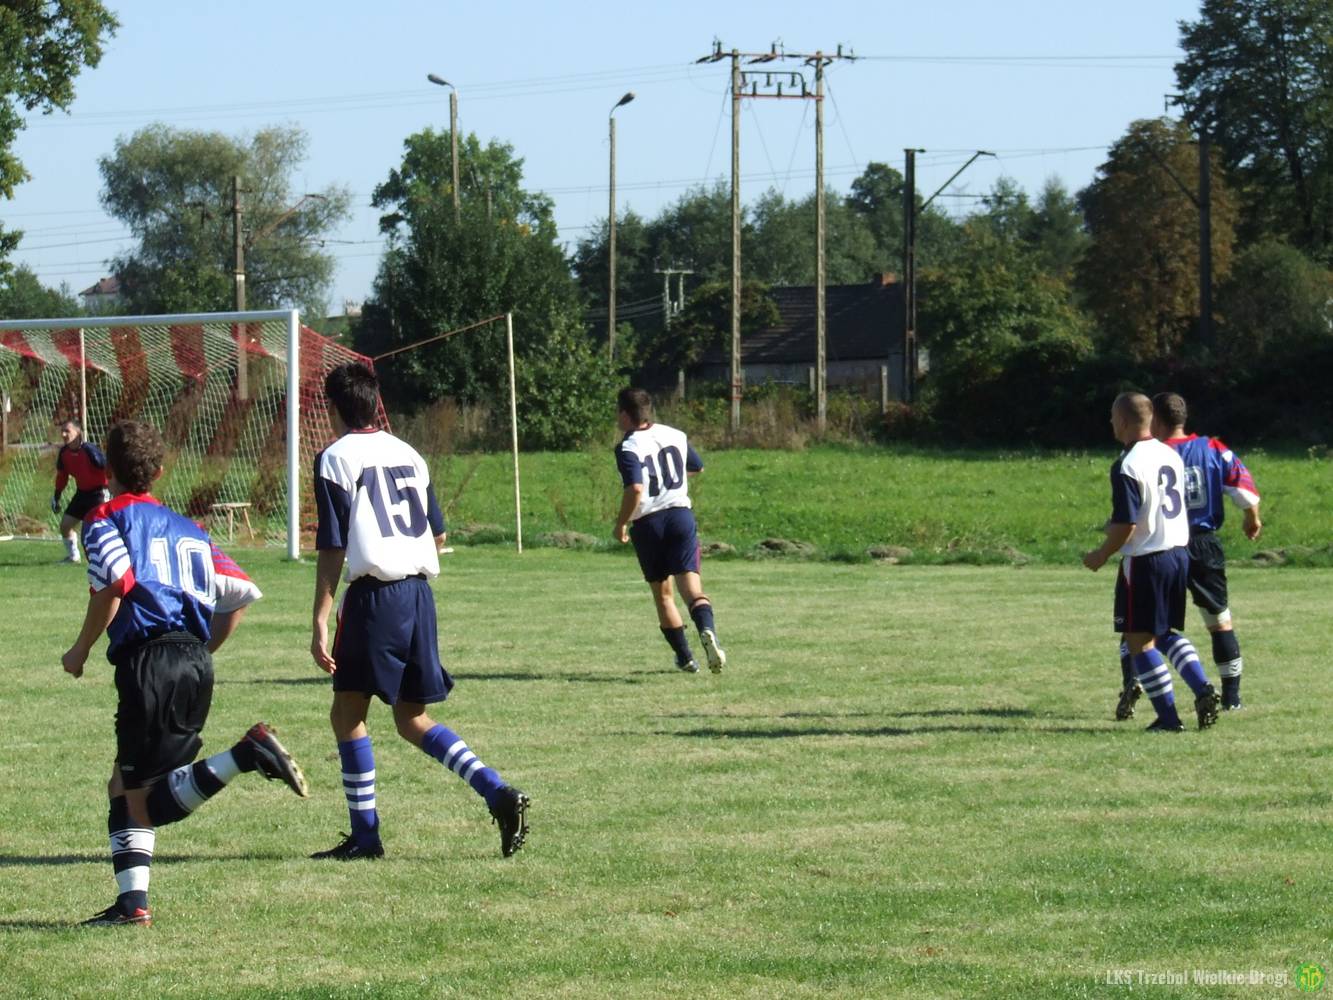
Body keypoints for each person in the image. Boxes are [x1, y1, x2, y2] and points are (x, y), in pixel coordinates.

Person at [61, 420, 309, 928]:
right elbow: (240, 593)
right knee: (123, 780)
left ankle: (246, 754)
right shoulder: (190, 529)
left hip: (148, 662)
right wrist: (200, 650)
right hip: (194, 660)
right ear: (159, 471)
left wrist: (79, 650)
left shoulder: (104, 517)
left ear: (107, 470)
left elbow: (115, 583)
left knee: (146, 803)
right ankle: (132, 904)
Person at [309, 362, 528, 860]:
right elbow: (438, 531)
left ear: (333, 408)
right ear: (375, 404)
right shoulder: (408, 452)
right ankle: (497, 791)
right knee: (411, 717)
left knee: (347, 713)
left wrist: (320, 616)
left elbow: (333, 544)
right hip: (418, 595)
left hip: (374, 597)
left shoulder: (335, 457)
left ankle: (365, 838)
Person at [1082, 392, 1219, 733]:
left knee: (1138, 640)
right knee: (1165, 633)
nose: (1110, 422)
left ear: (1123, 421)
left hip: (1145, 560)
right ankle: (1202, 686)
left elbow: (1128, 525)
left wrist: (1101, 553)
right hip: (1178, 554)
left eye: (1112, 416)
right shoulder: (1169, 454)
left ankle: (1169, 719)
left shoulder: (1127, 464)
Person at [1152, 391, 1261, 710]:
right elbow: (1244, 488)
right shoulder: (1213, 449)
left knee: (1145, 624)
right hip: (1203, 543)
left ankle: (1136, 685)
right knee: (1219, 621)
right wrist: (1252, 518)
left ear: (1155, 419)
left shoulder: (1150, 453)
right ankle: (1232, 698)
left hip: (1163, 545)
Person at [613, 387, 726, 675]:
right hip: (680, 517)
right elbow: (697, 467)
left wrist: (621, 522)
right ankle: (708, 630)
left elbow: (635, 488)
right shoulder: (675, 434)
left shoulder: (627, 446)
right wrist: (669, 480)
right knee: (693, 591)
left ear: (625, 414)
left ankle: (685, 658)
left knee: (664, 596)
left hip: (649, 524)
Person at [52, 418, 110, 563]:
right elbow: (62, 477)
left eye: (67, 431)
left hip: (99, 493)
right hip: (82, 493)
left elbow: (108, 469)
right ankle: (73, 557)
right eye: (62, 431)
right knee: (65, 526)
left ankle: (107, 559)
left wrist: (114, 489)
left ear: (78, 433)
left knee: (98, 528)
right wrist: (56, 496)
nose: (63, 434)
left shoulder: (90, 450)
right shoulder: (64, 453)